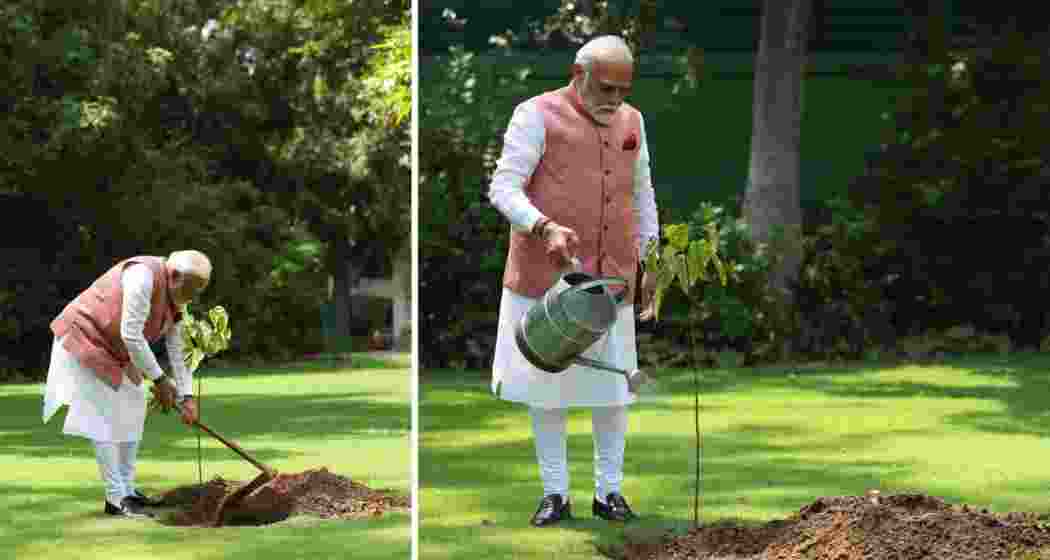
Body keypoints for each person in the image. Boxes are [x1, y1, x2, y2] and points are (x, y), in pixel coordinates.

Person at [488, 35, 660, 526]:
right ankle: (555, 494)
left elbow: (642, 194)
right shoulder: (535, 114)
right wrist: (543, 226)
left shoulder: (633, 121)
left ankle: (609, 493)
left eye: (623, 90)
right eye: (606, 88)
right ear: (578, 74)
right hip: (547, 280)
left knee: (615, 391)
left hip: (613, 279)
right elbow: (503, 186)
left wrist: (650, 259)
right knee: (547, 391)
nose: (615, 100)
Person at [42, 251, 212, 518]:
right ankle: (116, 498)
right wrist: (160, 380)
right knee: (103, 416)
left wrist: (187, 396)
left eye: (197, 292)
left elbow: (177, 349)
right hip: (85, 337)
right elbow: (131, 334)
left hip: (116, 349)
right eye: (190, 290)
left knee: (133, 404)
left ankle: (128, 491)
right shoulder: (142, 276)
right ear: (175, 276)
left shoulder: (177, 297)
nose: (192, 298)